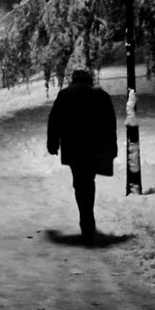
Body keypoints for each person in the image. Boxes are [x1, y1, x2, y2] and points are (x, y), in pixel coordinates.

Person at [47, 68, 117, 244]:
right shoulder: (100, 95)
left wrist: (53, 143)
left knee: (80, 181)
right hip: (94, 147)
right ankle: (88, 217)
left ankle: (85, 218)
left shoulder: (65, 95)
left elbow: (54, 120)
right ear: (89, 80)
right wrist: (111, 147)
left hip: (74, 146)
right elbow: (110, 124)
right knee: (88, 180)